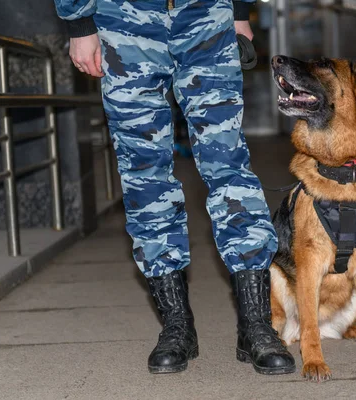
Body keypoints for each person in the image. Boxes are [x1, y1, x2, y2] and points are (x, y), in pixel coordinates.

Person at [53, 0, 295, 375]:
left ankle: (256, 326)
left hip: (206, 13)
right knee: (144, 173)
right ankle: (177, 327)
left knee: (228, 165)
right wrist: (79, 22)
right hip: (124, 18)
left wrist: (241, 12)